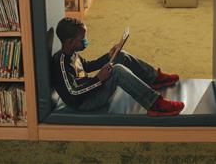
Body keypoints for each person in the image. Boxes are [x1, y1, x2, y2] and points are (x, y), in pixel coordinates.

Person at [51, 17, 185, 116]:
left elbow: (86, 67)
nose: (85, 41)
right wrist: (99, 79)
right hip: (84, 102)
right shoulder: (62, 63)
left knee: (121, 56)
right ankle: (154, 104)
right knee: (117, 71)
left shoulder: (72, 53)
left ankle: (153, 78)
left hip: (90, 89)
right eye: (82, 39)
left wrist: (109, 56)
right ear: (71, 41)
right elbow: (74, 93)